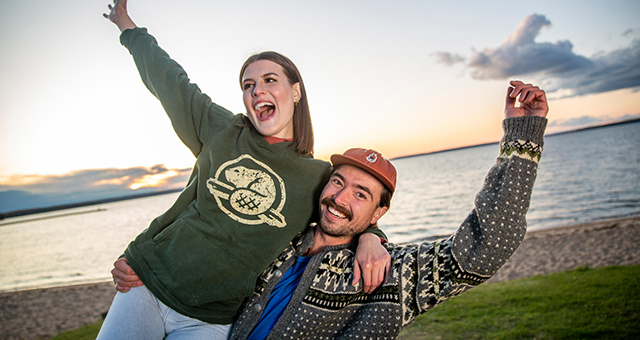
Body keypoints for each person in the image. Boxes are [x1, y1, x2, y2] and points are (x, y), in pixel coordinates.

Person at [114, 80, 549, 339]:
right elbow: (216, 225)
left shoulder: (387, 278)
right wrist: (148, 268)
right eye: (338, 182)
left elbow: (485, 248)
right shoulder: (282, 241)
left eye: (362, 195)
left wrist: (521, 136)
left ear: (379, 212)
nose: (341, 198)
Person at [98, 0, 389, 339]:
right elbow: (168, 80)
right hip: (148, 285)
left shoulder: (317, 176)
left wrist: (372, 238)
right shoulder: (221, 129)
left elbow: (346, 212)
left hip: (213, 320)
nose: (257, 91)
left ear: (295, 91)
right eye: (248, 85)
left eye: (270, 80)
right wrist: (127, 27)